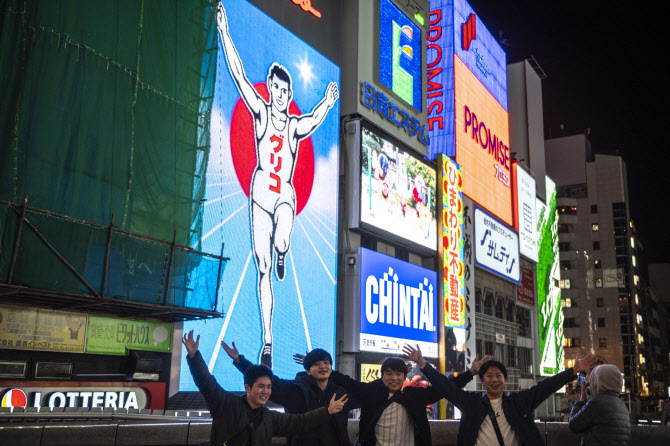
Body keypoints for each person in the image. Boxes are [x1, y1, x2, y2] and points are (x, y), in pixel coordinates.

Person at [217, 2, 339, 368]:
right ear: (270, 88)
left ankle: (284, 248)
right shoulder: (259, 110)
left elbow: (315, 120)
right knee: (263, 266)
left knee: (282, 240)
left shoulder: (294, 124)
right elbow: (238, 76)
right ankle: (268, 341)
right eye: (276, 88)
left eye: (286, 90)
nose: (281, 94)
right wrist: (224, 32)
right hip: (259, 194)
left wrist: (329, 103)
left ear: (288, 92)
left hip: (284, 193)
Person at [182, 331, 348, 446]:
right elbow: (207, 384)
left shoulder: (269, 418)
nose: (266, 391)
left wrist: (327, 411)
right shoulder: (227, 405)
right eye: (261, 386)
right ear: (247, 387)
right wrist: (194, 357)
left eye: (268, 387)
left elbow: (300, 422)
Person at [424, 347, 598, 446]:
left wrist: (573, 371)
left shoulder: (518, 402)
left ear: (505, 380)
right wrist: (424, 365)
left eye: (498, 375)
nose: (494, 380)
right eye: (489, 376)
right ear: (482, 381)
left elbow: (546, 386)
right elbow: (445, 387)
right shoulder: (471, 403)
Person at [329, 344, 490, 446]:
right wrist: (327, 371)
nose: (394, 378)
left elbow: (445, 387)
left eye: (399, 373)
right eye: (389, 373)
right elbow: (347, 382)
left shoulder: (413, 396)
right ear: (382, 376)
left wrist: (470, 373)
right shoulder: (371, 394)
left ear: (405, 376)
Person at [222, 341, 355, 446]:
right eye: (317, 364)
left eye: (326, 363)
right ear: (308, 370)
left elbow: (364, 392)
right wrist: (240, 361)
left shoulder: (340, 392)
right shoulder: (294, 389)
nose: (323, 367)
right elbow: (266, 378)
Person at [568, 364, 631, 445]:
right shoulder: (622, 405)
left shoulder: (597, 402)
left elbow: (573, 425)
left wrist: (581, 401)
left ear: (597, 382)